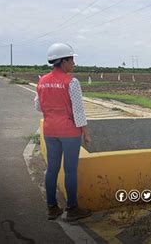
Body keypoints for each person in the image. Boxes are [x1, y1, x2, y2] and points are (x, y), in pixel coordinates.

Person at [34, 43, 92, 221]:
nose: (73, 63)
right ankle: (72, 209)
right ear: (63, 61)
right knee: (70, 170)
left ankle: (52, 208)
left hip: (49, 130)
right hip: (69, 132)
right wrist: (86, 133)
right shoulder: (71, 82)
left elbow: (38, 106)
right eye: (71, 60)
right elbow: (78, 111)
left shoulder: (42, 81)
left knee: (51, 169)